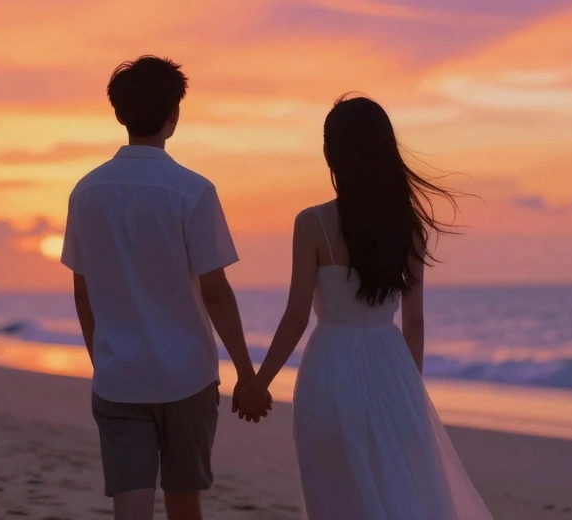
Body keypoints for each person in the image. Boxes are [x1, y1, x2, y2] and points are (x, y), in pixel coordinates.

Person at [235, 95, 493, 520]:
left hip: (330, 370)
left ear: (331, 153)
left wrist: (259, 383)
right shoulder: (408, 227)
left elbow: (297, 316)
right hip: (391, 366)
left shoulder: (312, 223)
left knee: (334, 496)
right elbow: (415, 320)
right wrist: (410, 392)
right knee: (399, 492)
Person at [61, 56, 268, 520]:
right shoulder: (192, 190)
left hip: (119, 377)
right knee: (184, 503)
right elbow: (215, 291)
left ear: (119, 114)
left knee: (130, 509)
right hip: (187, 377)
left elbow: (83, 291)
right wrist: (247, 375)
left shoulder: (87, 192)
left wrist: (106, 361)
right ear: (174, 116)